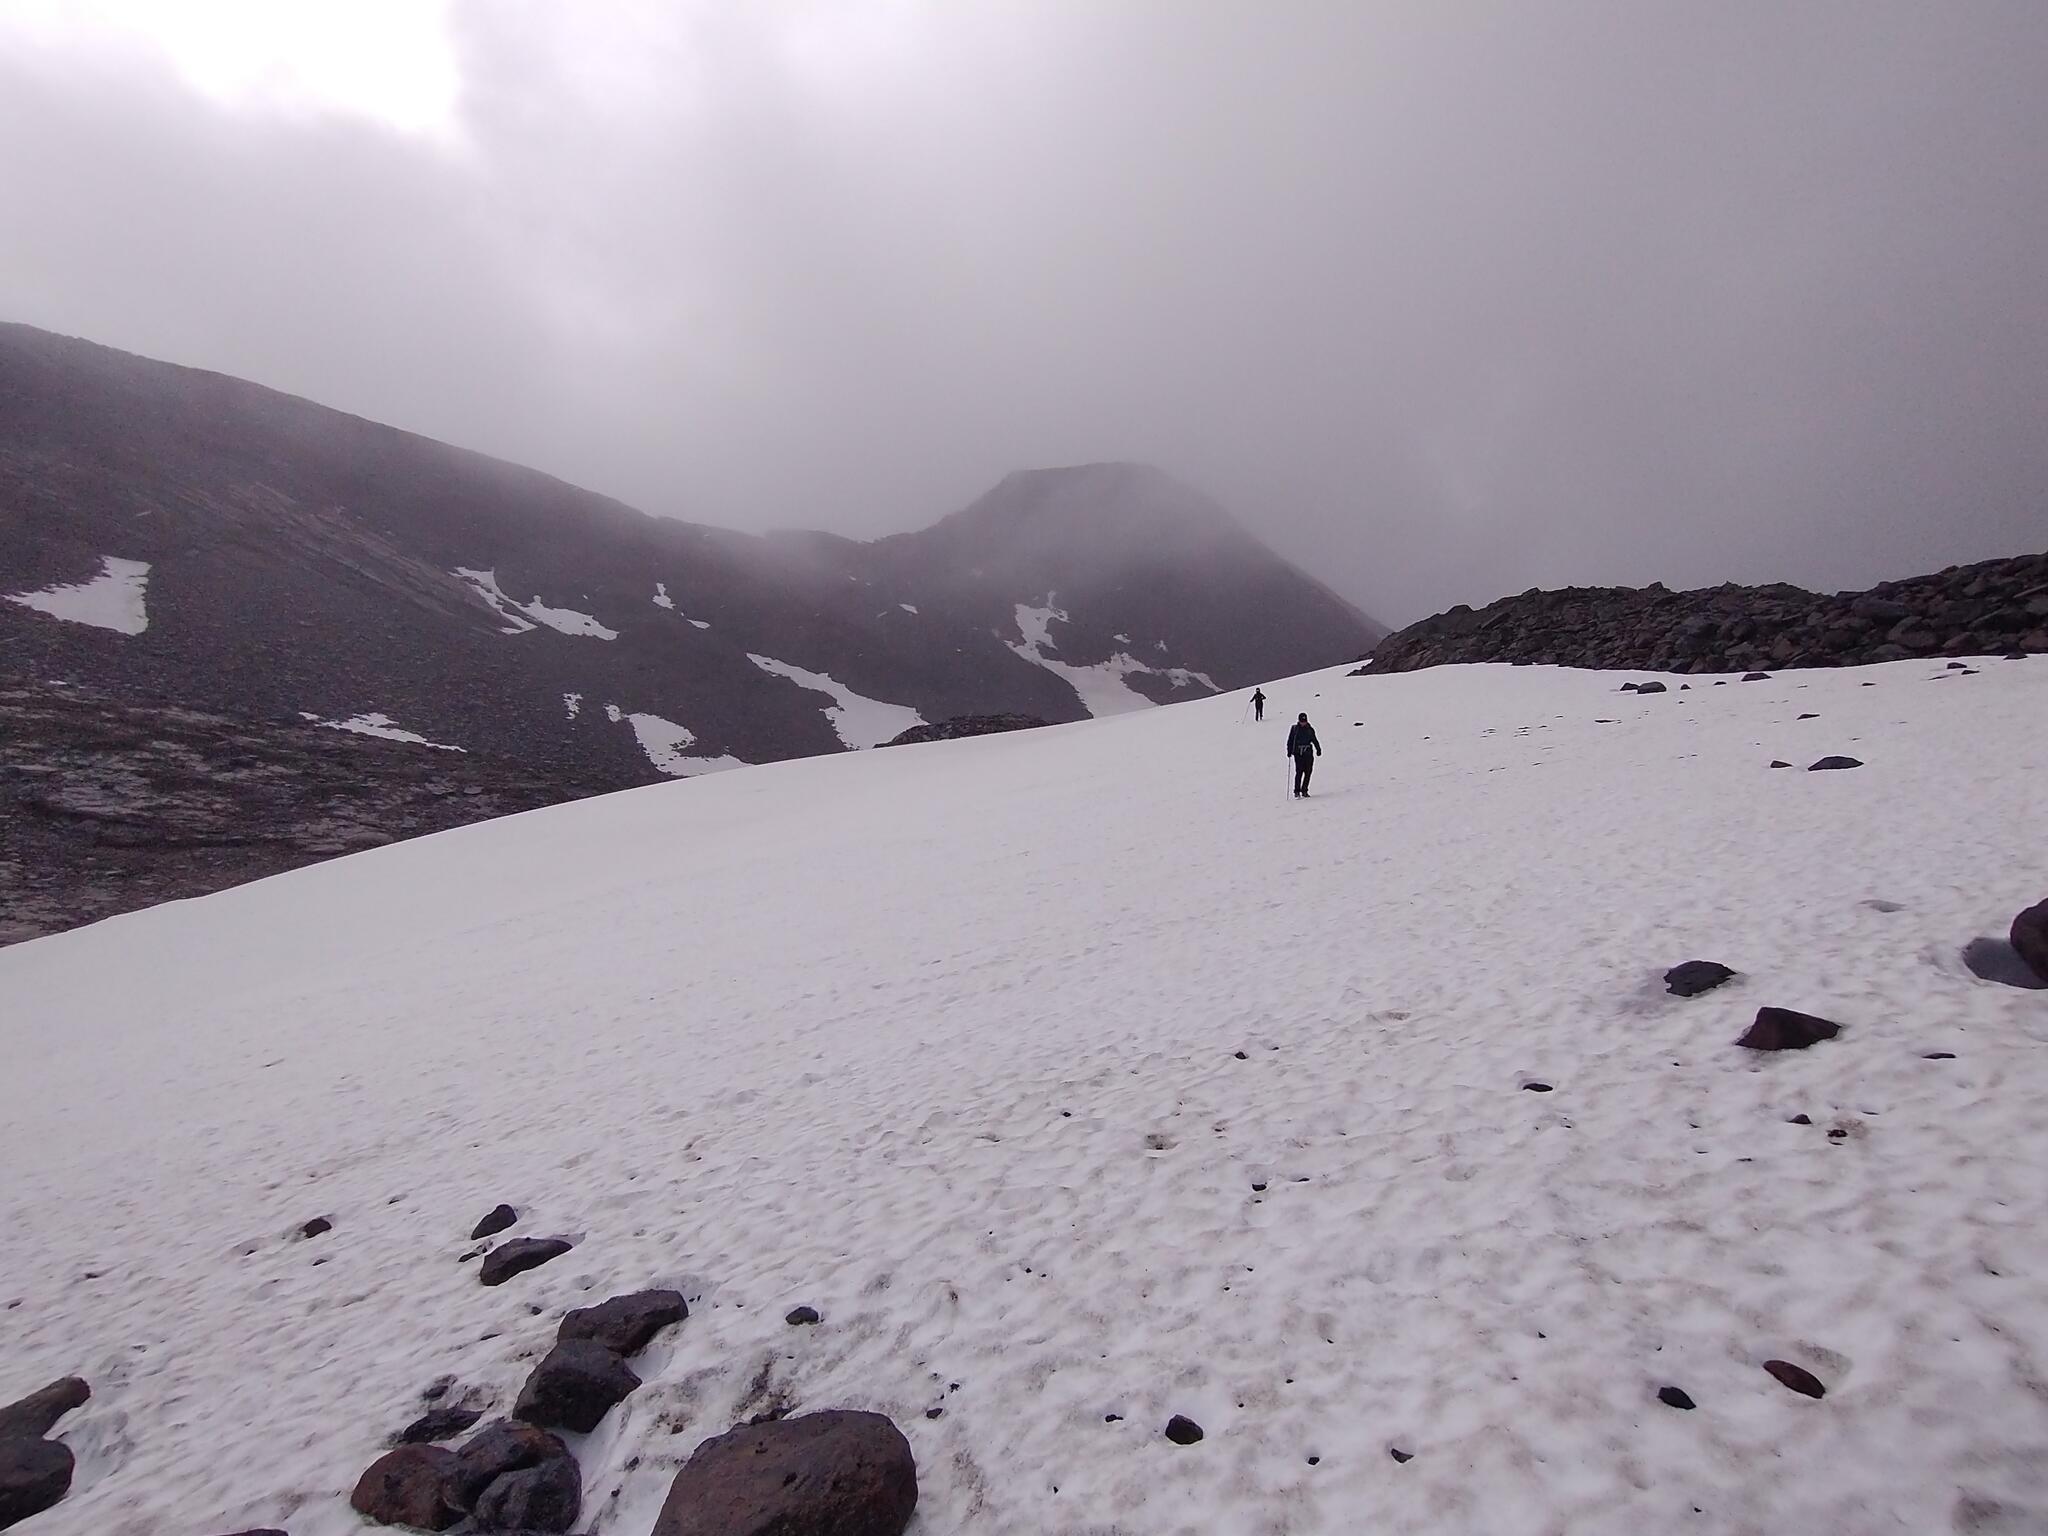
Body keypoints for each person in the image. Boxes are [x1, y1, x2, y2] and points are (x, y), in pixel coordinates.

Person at [1286, 712, 1321, 797]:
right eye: (1302, 721)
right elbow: (1290, 741)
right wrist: (1289, 751)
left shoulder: (1310, 729)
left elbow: (1314, 739)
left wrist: (1318, 749)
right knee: (1299, 772)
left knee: (1308, 772)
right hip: (1298, 754)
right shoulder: (1295, 729)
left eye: (1304, 721)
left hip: (1308, 753)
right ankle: (1297, 791)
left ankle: (1304, 790)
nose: (1303, 723)